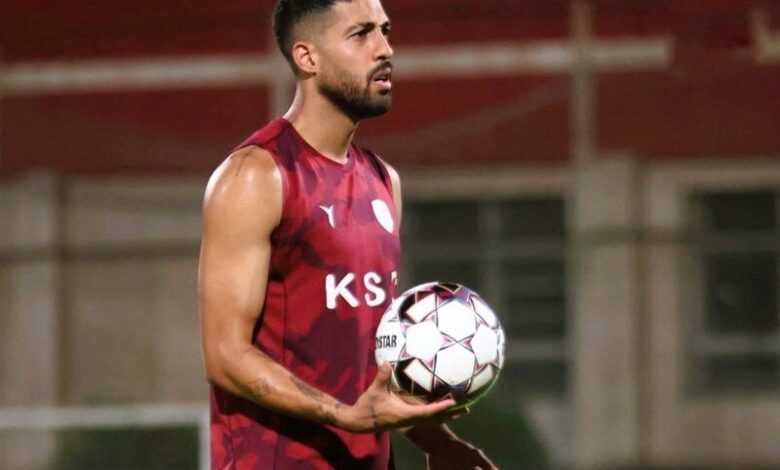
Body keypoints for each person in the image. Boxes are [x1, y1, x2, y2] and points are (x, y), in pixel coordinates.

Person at [198, 0, 497, 468]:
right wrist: (345, 417)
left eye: (385, 31)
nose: (384, 49)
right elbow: (225, 355)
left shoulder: (383, 181)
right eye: (360, 35)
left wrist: (435, 440)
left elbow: (367, 354)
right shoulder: (256, 175)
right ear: (308, 57)